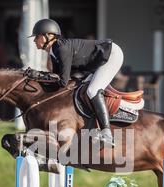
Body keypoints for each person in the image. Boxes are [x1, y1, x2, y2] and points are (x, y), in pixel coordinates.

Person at [29, 18, 124, 148]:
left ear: (49, 36)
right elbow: (59, 80)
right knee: (83, 88)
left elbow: (62, 81)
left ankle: (106, 133)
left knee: (92, 90)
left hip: (111, 55)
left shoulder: (61, 49)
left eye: (37, 37)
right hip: (98, 61)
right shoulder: (54, 52)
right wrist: (39, 77)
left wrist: (39, 75)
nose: (34, 40)